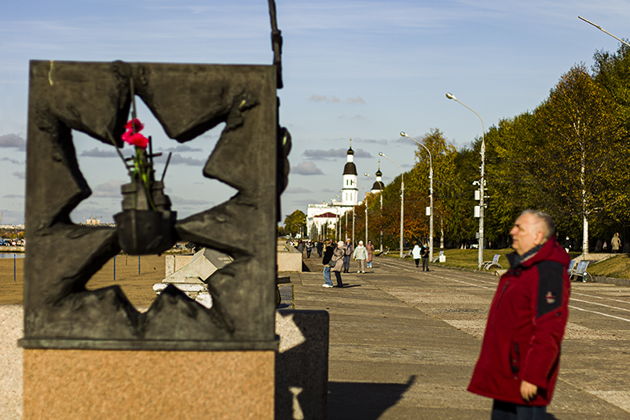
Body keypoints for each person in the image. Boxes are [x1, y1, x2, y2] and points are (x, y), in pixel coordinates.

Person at [468, 210, 570, 419]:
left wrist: (534, 376)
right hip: (507, 374)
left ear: (538, 236)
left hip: (524, 376)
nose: (512, 231)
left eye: (519, 228)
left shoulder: (547, 271)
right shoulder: (522, 268)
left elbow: (549, 328)